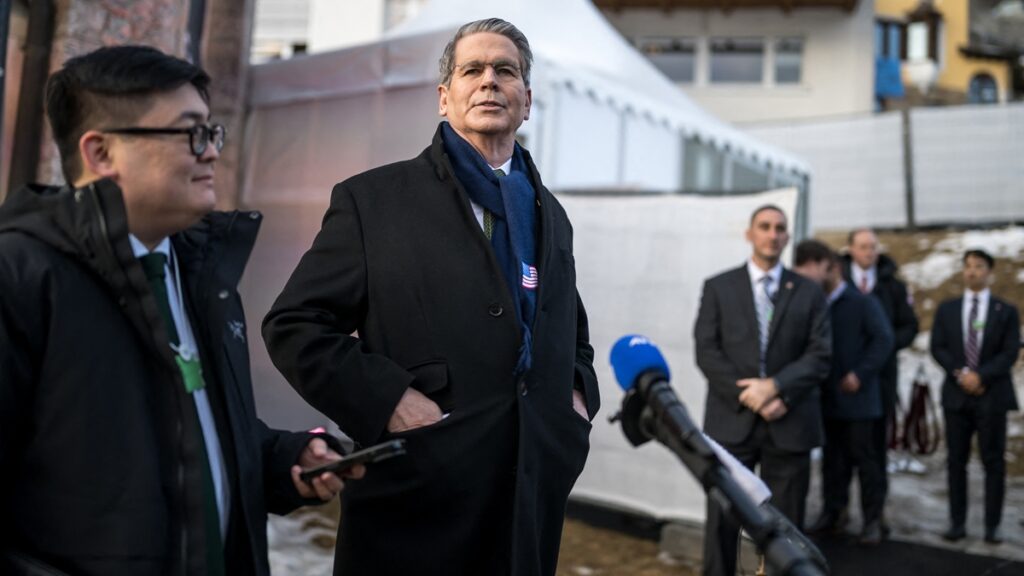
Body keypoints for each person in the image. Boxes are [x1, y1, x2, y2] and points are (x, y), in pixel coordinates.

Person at [0, 46, 360, 576]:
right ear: (100, 152)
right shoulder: (21, 275)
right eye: (190, 133)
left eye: (212, 133)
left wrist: (281, 459)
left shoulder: (197, 272)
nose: (211, 152)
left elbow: (185, 433)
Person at [262, 18, 598, 576]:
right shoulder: (373, 201)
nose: (489, 81)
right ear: (445, 98)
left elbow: (569, 330)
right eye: (472, 70)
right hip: (417, 497)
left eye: (506, 70)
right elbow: (295, 324)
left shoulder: (550, 214)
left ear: (527, 100)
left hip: (528, 496)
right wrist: (389, 399)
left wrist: (574, 404)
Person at [694, 205, 831, 576]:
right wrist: (749, 396)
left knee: (786, 533)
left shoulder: (809, 292)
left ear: (787, 237)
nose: (772, 234)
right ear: (750, 233)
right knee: (722, 527)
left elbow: (820, 354)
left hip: (789, 421)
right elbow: (707, 351)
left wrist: (777, 389)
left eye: (779, 228)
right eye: (765, 226)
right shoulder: (719, 287)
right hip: (731, 424)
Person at [796, 240, 893, 545]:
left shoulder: (861, 302)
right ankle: (833, 513)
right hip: (827, 400)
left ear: (833, 268)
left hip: (859, 401)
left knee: (866, 461)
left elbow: (884, 340)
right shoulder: (817, 304)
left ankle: (872, 520)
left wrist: (860, 374)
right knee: (832, 461)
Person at [931, 249, 1020, 545]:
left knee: (993, 462)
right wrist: (961, 374)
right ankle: (957, 522)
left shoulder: (1005, 311)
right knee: (956, 461)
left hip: (991, 396)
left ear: (989, 272)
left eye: (979, 266)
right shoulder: (948, 309)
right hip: (956, 397)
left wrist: (981, 376)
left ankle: (992, 525)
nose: (972, 271)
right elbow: (938, 347)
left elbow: (1010, 351)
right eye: (968, 266)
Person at [841, 228, 918, 529]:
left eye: (873, 247)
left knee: (873, 450)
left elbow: (909, 326)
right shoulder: (838, 282)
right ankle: (836, 510)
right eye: (863, 247)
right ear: (850, 249)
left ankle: (874, 515)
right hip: (841, 380)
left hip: (879, 380)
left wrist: (882, 345)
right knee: (838, 451)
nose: (869, 252)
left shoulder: (892, 286)